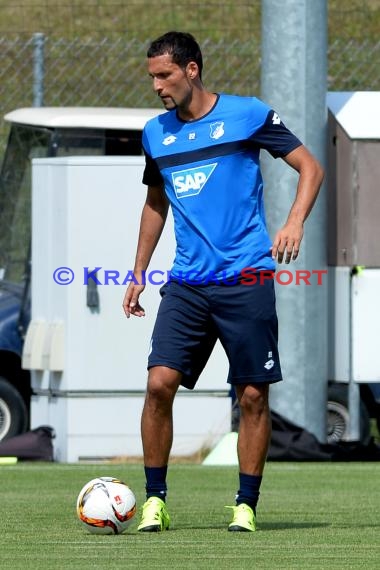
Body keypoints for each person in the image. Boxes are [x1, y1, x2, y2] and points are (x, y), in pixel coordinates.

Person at [123, 30, 324, 532]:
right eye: (151, 77)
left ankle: (246, 505)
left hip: (245, 277)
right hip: (188, 283)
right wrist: (139, 270)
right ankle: (155, 501)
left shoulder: (248, 114)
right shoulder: (156, 133)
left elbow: (310, 168)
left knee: (253, 395)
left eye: (164, 75)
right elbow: (156, 202)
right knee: (158, 384)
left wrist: (295, 221)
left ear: (192, 70)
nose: (157, 86)